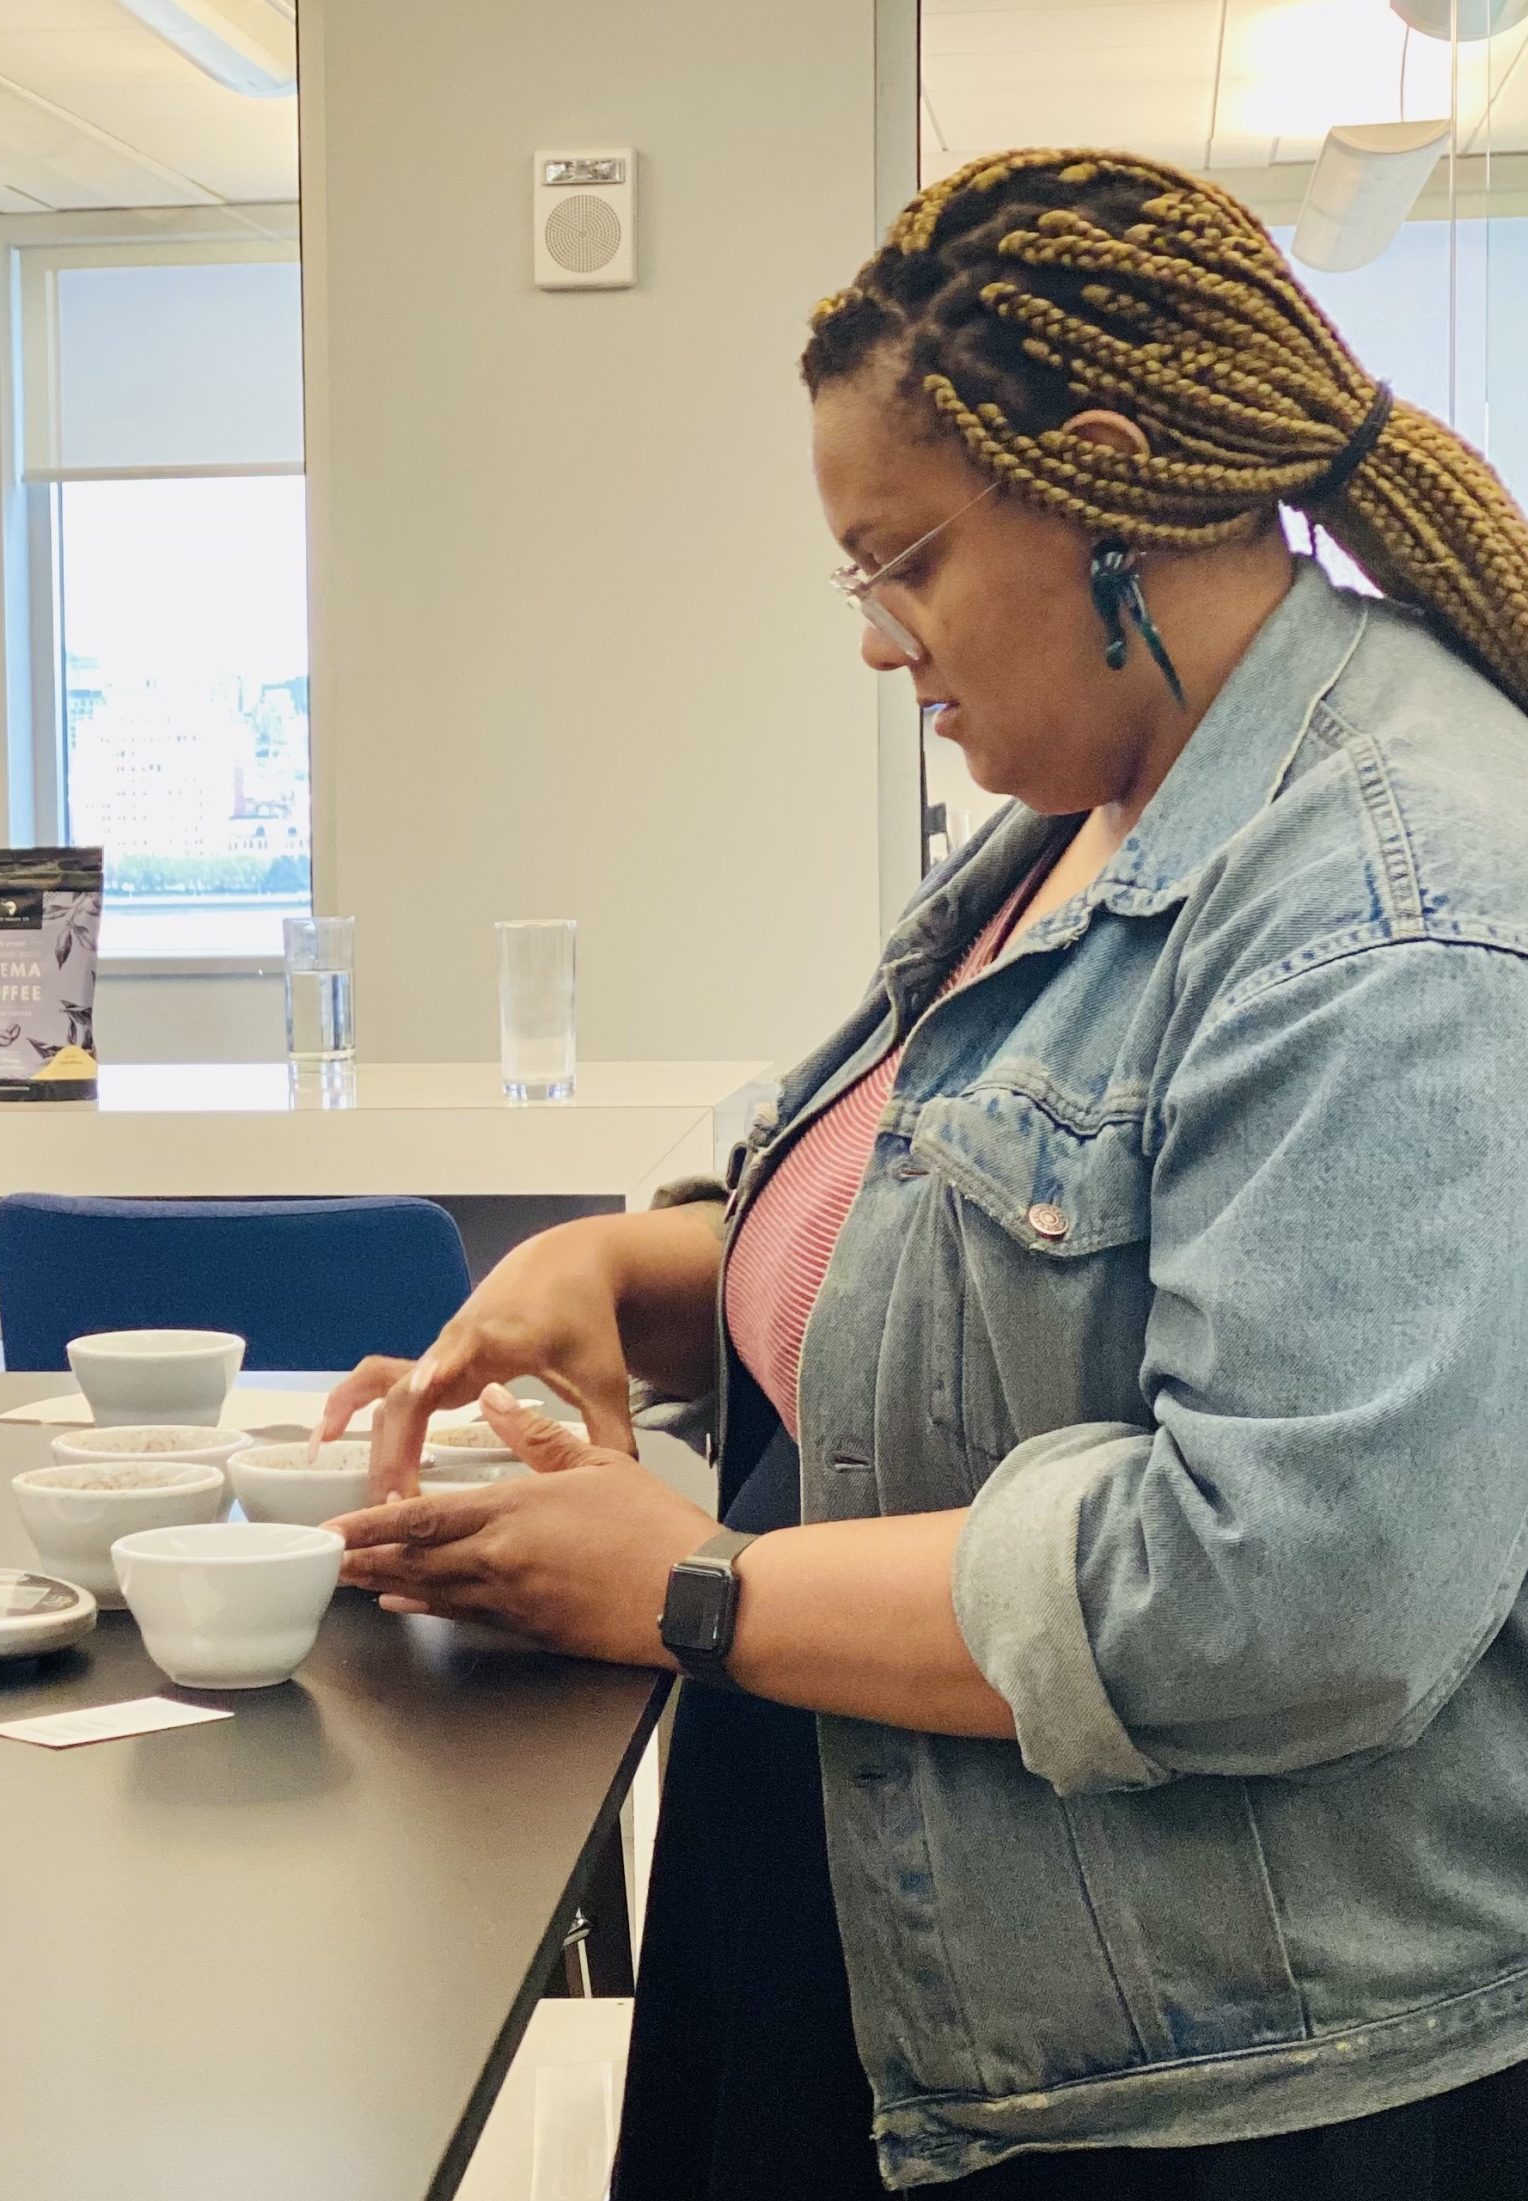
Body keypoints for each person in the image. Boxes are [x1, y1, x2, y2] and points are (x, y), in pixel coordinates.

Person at [318, 150, 1528, 2195]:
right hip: (899, 1910)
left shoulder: (1389, 903)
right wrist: (633, 1264)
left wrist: (692, 1578)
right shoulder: (1095, 804)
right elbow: (984, 1248)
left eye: (903, 562)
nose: (880, 641)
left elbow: (1295, 1589)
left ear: (1108, 482)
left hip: (1202, 2070)